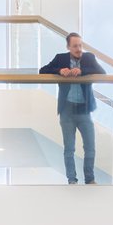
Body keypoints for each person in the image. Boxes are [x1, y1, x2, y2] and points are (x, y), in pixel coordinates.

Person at [39, 32, 106, 186]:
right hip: (67, 109)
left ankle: (89, 179)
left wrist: (83, 72)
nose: (78, 49)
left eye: (80, 45)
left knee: (90, 147)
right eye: (75, 46)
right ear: (68, 47)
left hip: (84, 109)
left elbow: (102, 73)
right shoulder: (60, 58)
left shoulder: (89, 58)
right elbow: (42, 71)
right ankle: (72, 180)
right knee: (69, 148)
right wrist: (59, 71)